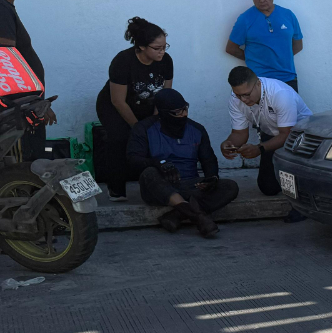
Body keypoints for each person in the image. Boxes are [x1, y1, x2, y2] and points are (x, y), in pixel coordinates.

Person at [126, 88, 237, 238]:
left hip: (190, 185)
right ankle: (198, 217)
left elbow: (208, 159)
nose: (184, 114)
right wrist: (159, 164)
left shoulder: (197, 129)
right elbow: (133, 159)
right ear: (163, 112)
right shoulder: (144, 129)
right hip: (160, 186)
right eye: (177, 112)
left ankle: (176, 215)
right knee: (149, 174)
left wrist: (212, 178)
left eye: (185, 109)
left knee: (230, 187)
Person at [95, 17, 173, 201]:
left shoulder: (166, 61)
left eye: (165, 46)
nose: (162, 52)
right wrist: (138, 127)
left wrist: (153, 122)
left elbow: (164, 95)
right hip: (114, 105)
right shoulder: (123, 61)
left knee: (156, 135)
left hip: (146, 105)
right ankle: (116, 188)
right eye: (157, 48)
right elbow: (118, 100)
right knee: (120, 137)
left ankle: (155, 183)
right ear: (142, 47)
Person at [220, 66, 312, 214]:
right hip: (273, 135)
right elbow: (239, 134)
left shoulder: (281, 94)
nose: (243, 99)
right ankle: (293, 181)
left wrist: (260, 148)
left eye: (246, 94)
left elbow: (287, 135)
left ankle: (301, 206)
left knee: (291, 182)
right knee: (268, 187)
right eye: (238, 95)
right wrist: (229, 144)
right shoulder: (235, 98)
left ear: (258, 84)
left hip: (299, 136)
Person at [0, 0, 54, 161]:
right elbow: (5, 65)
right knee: (25, 172)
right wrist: (32, 105)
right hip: (16, 114)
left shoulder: (6, 7)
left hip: (22, 110)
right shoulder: (1, 9)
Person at [225, 0, 304, 90]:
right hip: (259, 81)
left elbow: (298, 45)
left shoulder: (288, 15)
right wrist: (256, 60)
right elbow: (231, 48)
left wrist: (281, 57)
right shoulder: (245, 19)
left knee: (290, 108)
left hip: (288, 78)